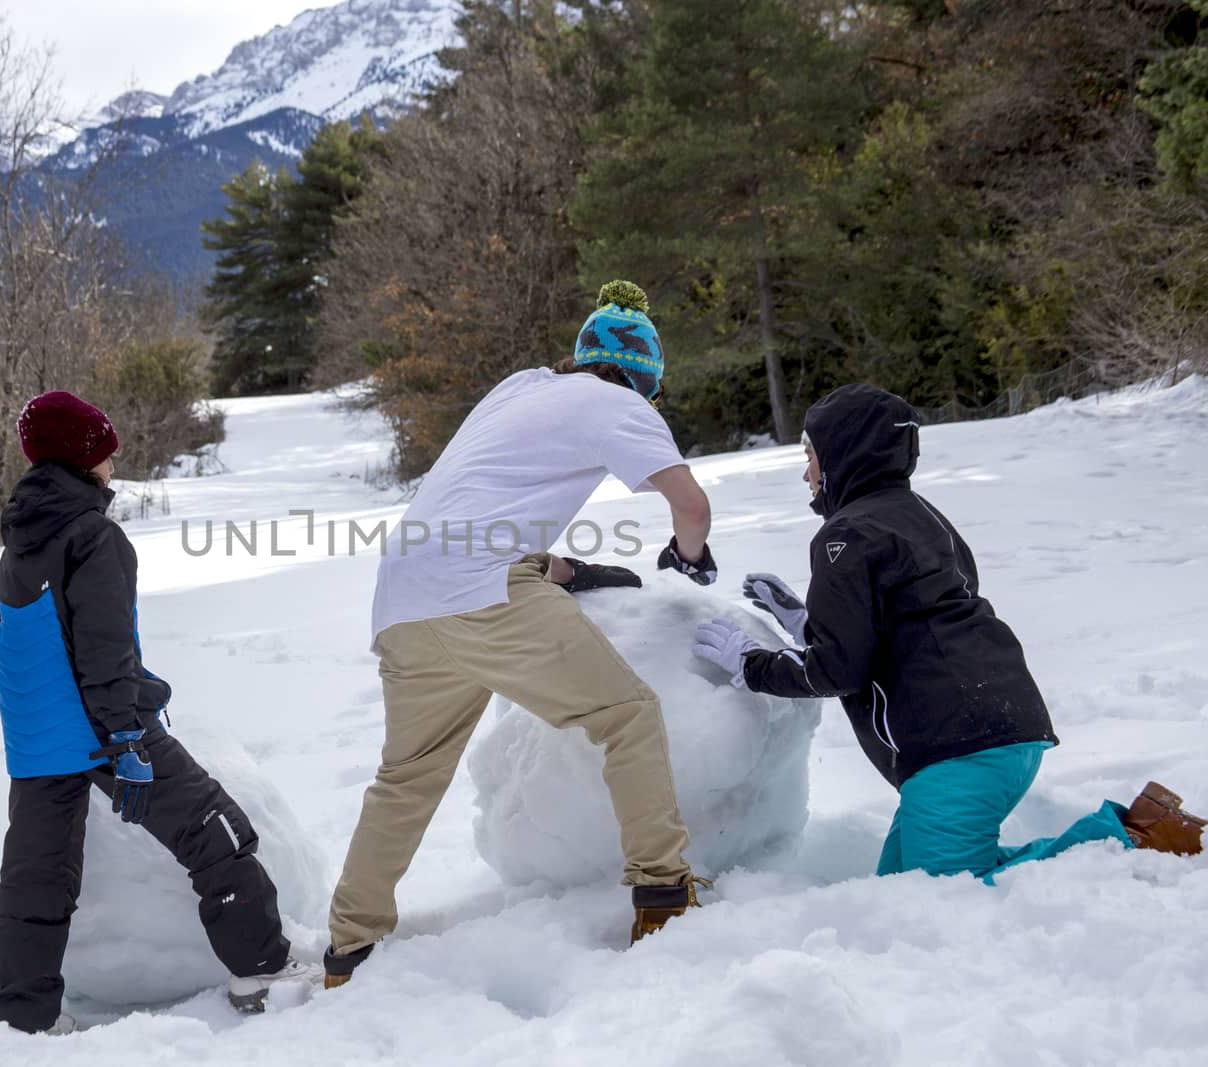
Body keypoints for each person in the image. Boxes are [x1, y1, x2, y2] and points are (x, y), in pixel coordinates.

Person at [323, 281, 719, 990]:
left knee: (406, 779)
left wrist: (564, 568)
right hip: (482, 592)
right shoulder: (621, 402)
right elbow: (690, 506)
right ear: (645, 381)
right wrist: (689, 558)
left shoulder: (519, 388)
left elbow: (480, 495)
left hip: (402, 598)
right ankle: (663, 894)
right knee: (626, 715)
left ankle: (349, 950)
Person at [692, 383, 1203, 883]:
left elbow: (839, 670)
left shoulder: (844, 535)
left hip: (958, 746)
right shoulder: (922, 516)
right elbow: (916, 620)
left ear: (843, 452)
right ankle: (1131, 838)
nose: (806, 473)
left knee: (952, 893)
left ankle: (1133, 840)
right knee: (902, 891)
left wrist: (749, 664)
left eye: (811, 455)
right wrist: (808, 621)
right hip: (999, 726)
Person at [0, 390, 313, 1033]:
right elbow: (103, 650)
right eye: (105, 451)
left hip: (35, 740)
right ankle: (262, 966)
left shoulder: (24, 537)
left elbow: (55, 640)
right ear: (82, 459)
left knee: (36, 883)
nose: (113, 463)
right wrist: (127, 738)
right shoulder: (93, 536)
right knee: (215, 829)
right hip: (105, 729)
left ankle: (19, 1017)